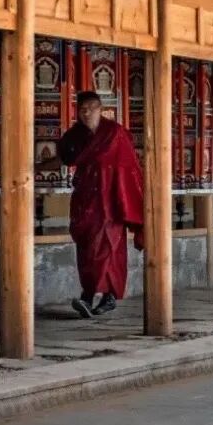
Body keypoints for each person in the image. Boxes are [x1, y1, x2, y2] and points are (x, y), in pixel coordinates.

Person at [48, 91, 145, 318]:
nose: (86, 113)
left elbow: (130, 169)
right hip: (86, 200)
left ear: (101, 110)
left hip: (110, 202)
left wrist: (127, 201)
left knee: (108, 250)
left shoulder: (115, 133)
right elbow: (64, 159)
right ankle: (90, 295)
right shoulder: (75, 136)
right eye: (82, 109)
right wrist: (33, 167)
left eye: (91, 109)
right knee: (86, 250)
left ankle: (104, 297)